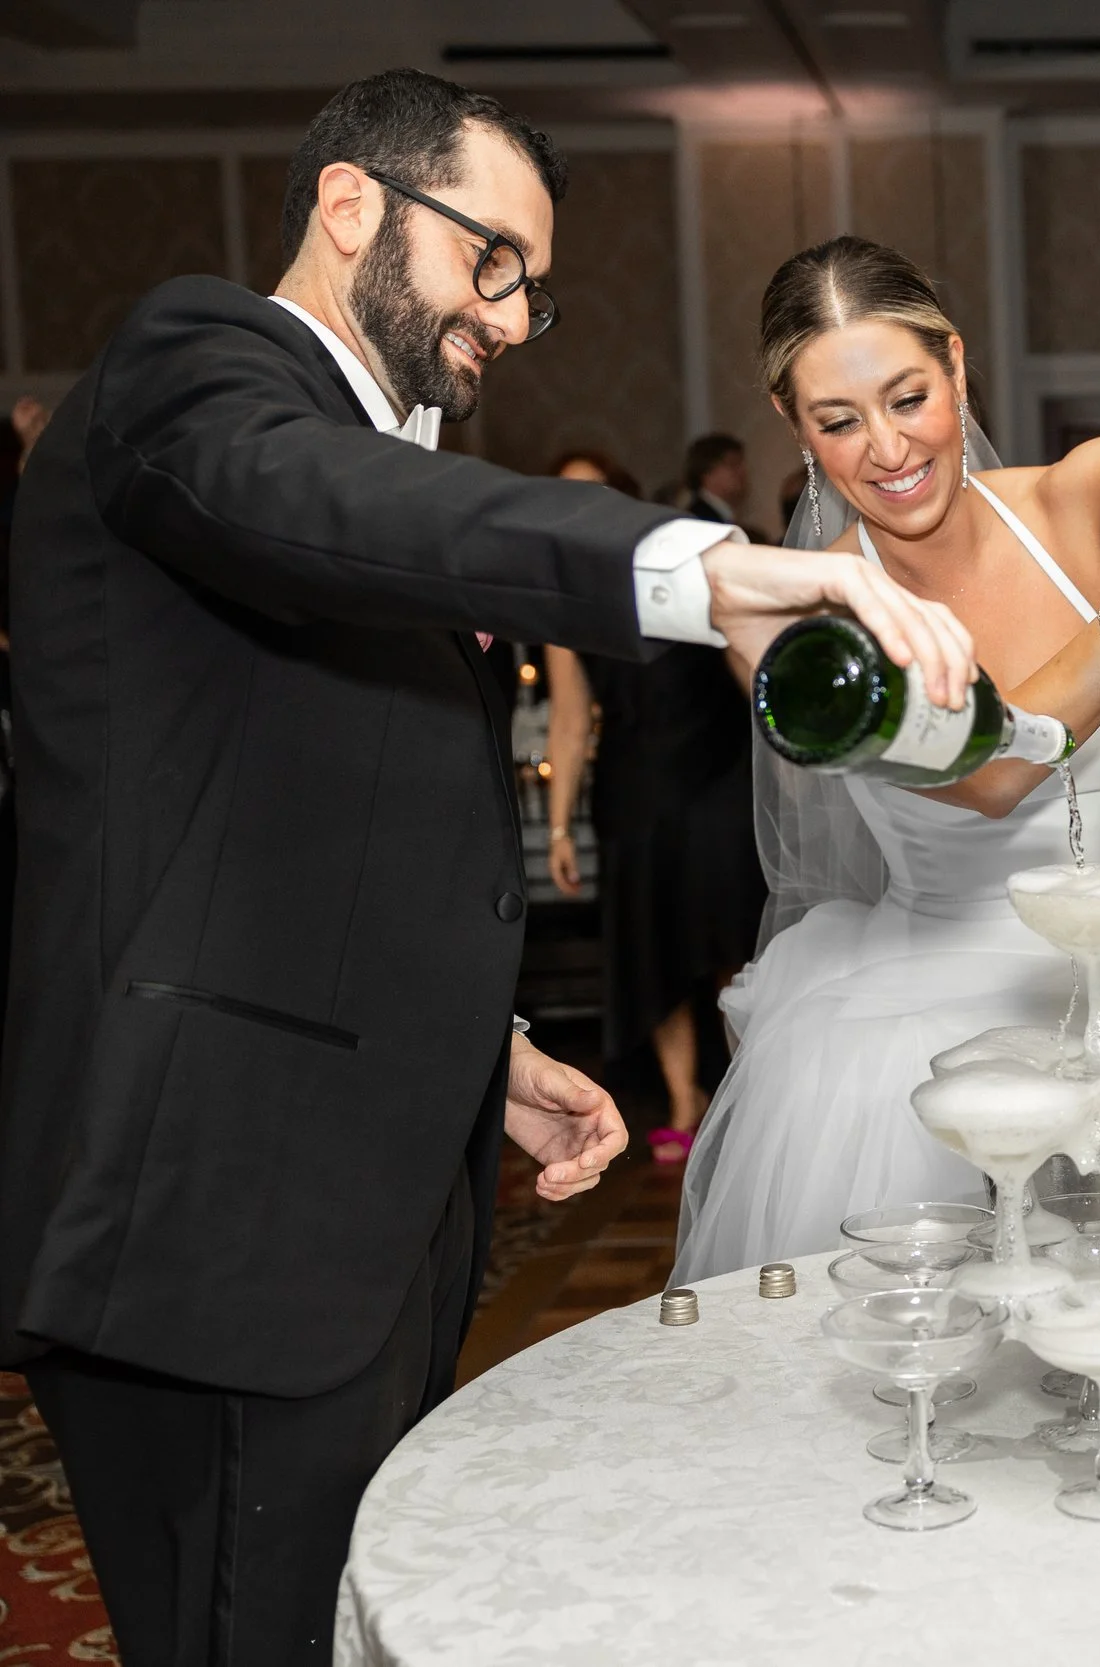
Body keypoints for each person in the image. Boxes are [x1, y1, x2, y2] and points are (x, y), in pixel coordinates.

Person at [0, 70, 981, 1665]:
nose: (514, 319)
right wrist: (697, 565)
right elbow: (307, 495)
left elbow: (304, 816)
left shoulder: (352, 470)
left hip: (337, 1199)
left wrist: (483, 1045)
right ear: (351, 210)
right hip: (217, 1213)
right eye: (492, 261)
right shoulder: (201, 367)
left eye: (533, 281)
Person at [671, 239, 1100, 1283]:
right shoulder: (788, 613)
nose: (887, 448)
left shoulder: (1071, 499)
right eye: (839, 419)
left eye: (909, 396)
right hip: (908, 1046)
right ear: (790, 421)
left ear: (955, 365)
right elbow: (988, 772)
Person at [540, 449, 765, 1162]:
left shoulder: (687, 568)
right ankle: (682, 1100)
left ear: (626, 502)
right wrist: (557, 826)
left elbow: (747, 670)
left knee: (734, 939)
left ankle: (755, 1091)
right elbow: (571, 720)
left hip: (718, 775)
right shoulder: (561, 605)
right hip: (634, 789)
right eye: (561, 496)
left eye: (592, 494)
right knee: (652, 947)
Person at [679, 430, 753, 531]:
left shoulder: (717, 514)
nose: (742, 471)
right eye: (732, 464)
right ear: (706, 471)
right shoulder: (700, 520)